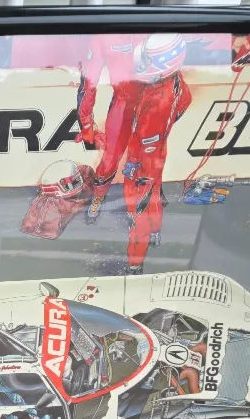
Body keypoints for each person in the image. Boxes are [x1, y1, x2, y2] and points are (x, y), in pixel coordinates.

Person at [116, 33, 192, 275]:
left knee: (138, 212)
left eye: (149, 59)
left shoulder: (157, 102)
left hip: (143, 162)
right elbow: (185, 101)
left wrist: (136, 168)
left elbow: (145, 140)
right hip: (158, 153)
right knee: (155, 195)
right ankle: (156, 233)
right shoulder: (176, 81)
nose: (144, 64)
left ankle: (134, 266)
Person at [76, 33, 145, 222]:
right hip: (123, 103)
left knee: (147, 156)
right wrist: (86, 123)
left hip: (152, 101)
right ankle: (99, 195)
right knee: (110, 157)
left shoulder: (151, 26)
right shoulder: (103, 37)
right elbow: (89, 80)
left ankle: (143, 201)